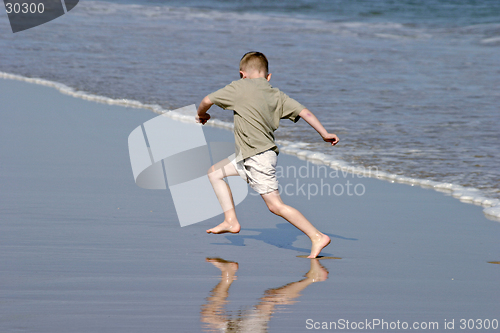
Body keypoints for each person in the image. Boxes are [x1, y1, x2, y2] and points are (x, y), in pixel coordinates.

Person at [196, 52, 339, 258]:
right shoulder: (276, 94)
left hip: (258, 157)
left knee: (275, 206)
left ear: (242, 74)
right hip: (248, 155)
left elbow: (206, 100)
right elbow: (304, 112)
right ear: (268, 76)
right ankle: (231, 221)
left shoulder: (237, 87)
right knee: (214, 172)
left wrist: (202, 115)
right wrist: (324, 133)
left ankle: (317, 236)